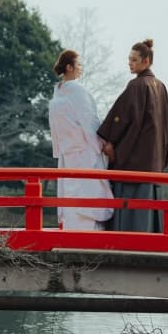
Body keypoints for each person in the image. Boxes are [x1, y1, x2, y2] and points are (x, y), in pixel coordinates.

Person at [97, 39, 168, 232]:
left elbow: (121, 118)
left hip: (133, 161)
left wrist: (111, 142)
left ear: (146, 62)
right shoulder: (160, 86)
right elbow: (167, 126)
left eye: (134, 60)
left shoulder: (136, 86)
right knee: (147, 206)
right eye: (129, 59)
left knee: (128, 206)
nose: (129, 63)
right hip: (152, 162)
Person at [48, 50, 114, 230]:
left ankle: (71, 231)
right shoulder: (78, 91)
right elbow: (89, 122)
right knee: (88, 191)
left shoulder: (58, 94)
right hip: (84, 151)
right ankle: (88, 233)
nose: (81, 69)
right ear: (69, 67)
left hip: (67, 152)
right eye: (79, 65)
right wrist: (101, 145)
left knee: (70, 191)